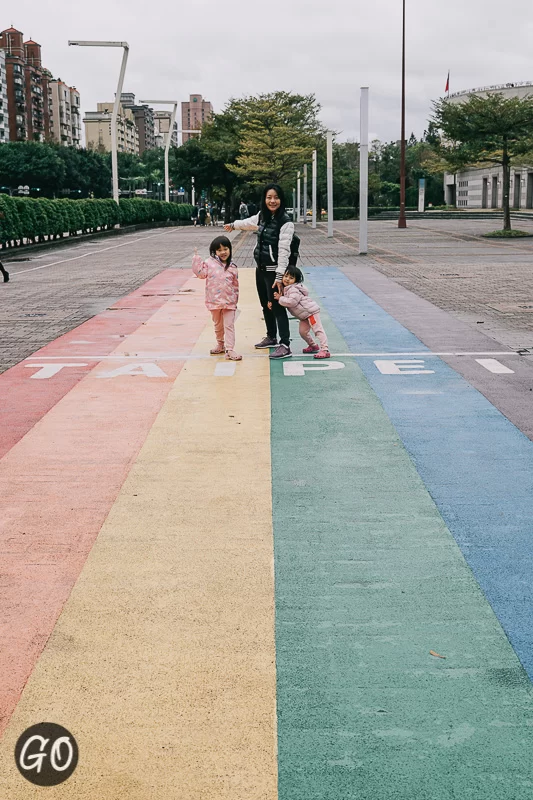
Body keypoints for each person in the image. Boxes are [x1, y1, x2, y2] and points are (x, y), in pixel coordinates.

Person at [224, 184, 294, 359]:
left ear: (281, 199)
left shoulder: (286, 222)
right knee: (265, 306)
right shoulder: (262, 216)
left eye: (276, 197)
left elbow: (284, 251)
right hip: (261, 269)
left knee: (278, 307)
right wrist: (233, 225)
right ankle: (272, 336)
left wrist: (279, 277)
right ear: (264, 199)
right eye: (269, 197)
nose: (272, 201)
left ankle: (285, 344)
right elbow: (248, 223)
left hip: (274, 272)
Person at [192, 235, 242, 361]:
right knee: (218, 325)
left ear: (230, 249)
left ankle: (230, 349)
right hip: (214, 301)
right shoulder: (209, 263)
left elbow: (236, 285)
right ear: (214, 252)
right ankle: (220, 344)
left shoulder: (233, 267)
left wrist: (235, 300)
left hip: (229, 302)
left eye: (225, 249)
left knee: (229, 325)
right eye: (219, 250)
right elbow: (200, 274)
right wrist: (196, 260)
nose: (223, 252)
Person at [273, 266, 330, 359]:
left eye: (291, 278)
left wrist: (280, 298)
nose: (287, 279)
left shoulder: (293, 289)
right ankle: (313, 345)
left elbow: (291, 302)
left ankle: (325, 349)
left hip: (310, 312)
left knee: (317, 330)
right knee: (303, 332)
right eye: (286, 276)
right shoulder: (286, 289)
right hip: (303, 316)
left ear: (296, 280)